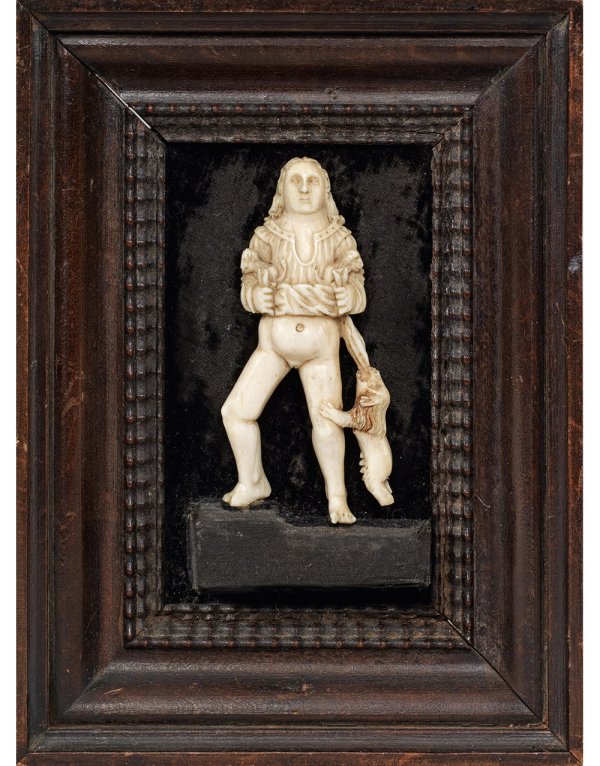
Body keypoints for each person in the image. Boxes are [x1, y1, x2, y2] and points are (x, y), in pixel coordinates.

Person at [221, 157, 366, 524]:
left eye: (312, 181)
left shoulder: (338, 237)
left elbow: (357, 286)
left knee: (327, 423)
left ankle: (337, 497)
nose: (303, 189)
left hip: (321, 348)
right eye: (295, 181)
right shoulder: (267, 235)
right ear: (281, 191)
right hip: (274, 346)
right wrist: (256, 296)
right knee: (235, 412)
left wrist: (350, 296)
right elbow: (249, 282)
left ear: (326, 190)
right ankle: (252, 481)